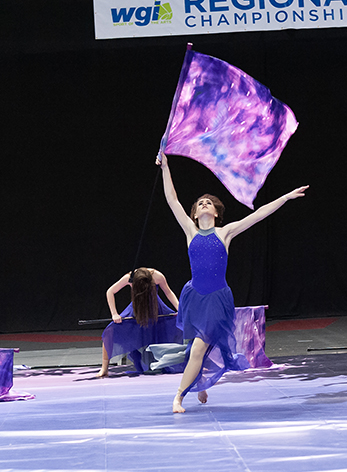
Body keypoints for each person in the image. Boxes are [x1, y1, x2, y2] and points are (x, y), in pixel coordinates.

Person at [156, 152, 309, 413]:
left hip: (217, 298)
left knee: (200, 347)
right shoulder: (190, 231)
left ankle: (178, 396)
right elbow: (172, 200)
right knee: (196, 347)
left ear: (216, 213)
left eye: (208, 203)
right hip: (194, 297)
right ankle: (198, 384)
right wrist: (166, 167)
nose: (204, 204)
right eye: (199, 203)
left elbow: (258, 215)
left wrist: (284, 197)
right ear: (194, 214)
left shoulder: (225, 232)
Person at [97, 267, 181, 377]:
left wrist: (179, 309)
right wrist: (114, 314)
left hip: (156, 309)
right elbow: (110, 291)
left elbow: (168, 292)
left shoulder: (158, 276)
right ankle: (104, 369)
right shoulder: (129, 278)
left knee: (181, 325)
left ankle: (194, 360)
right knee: (110, 331)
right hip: (136, 309)